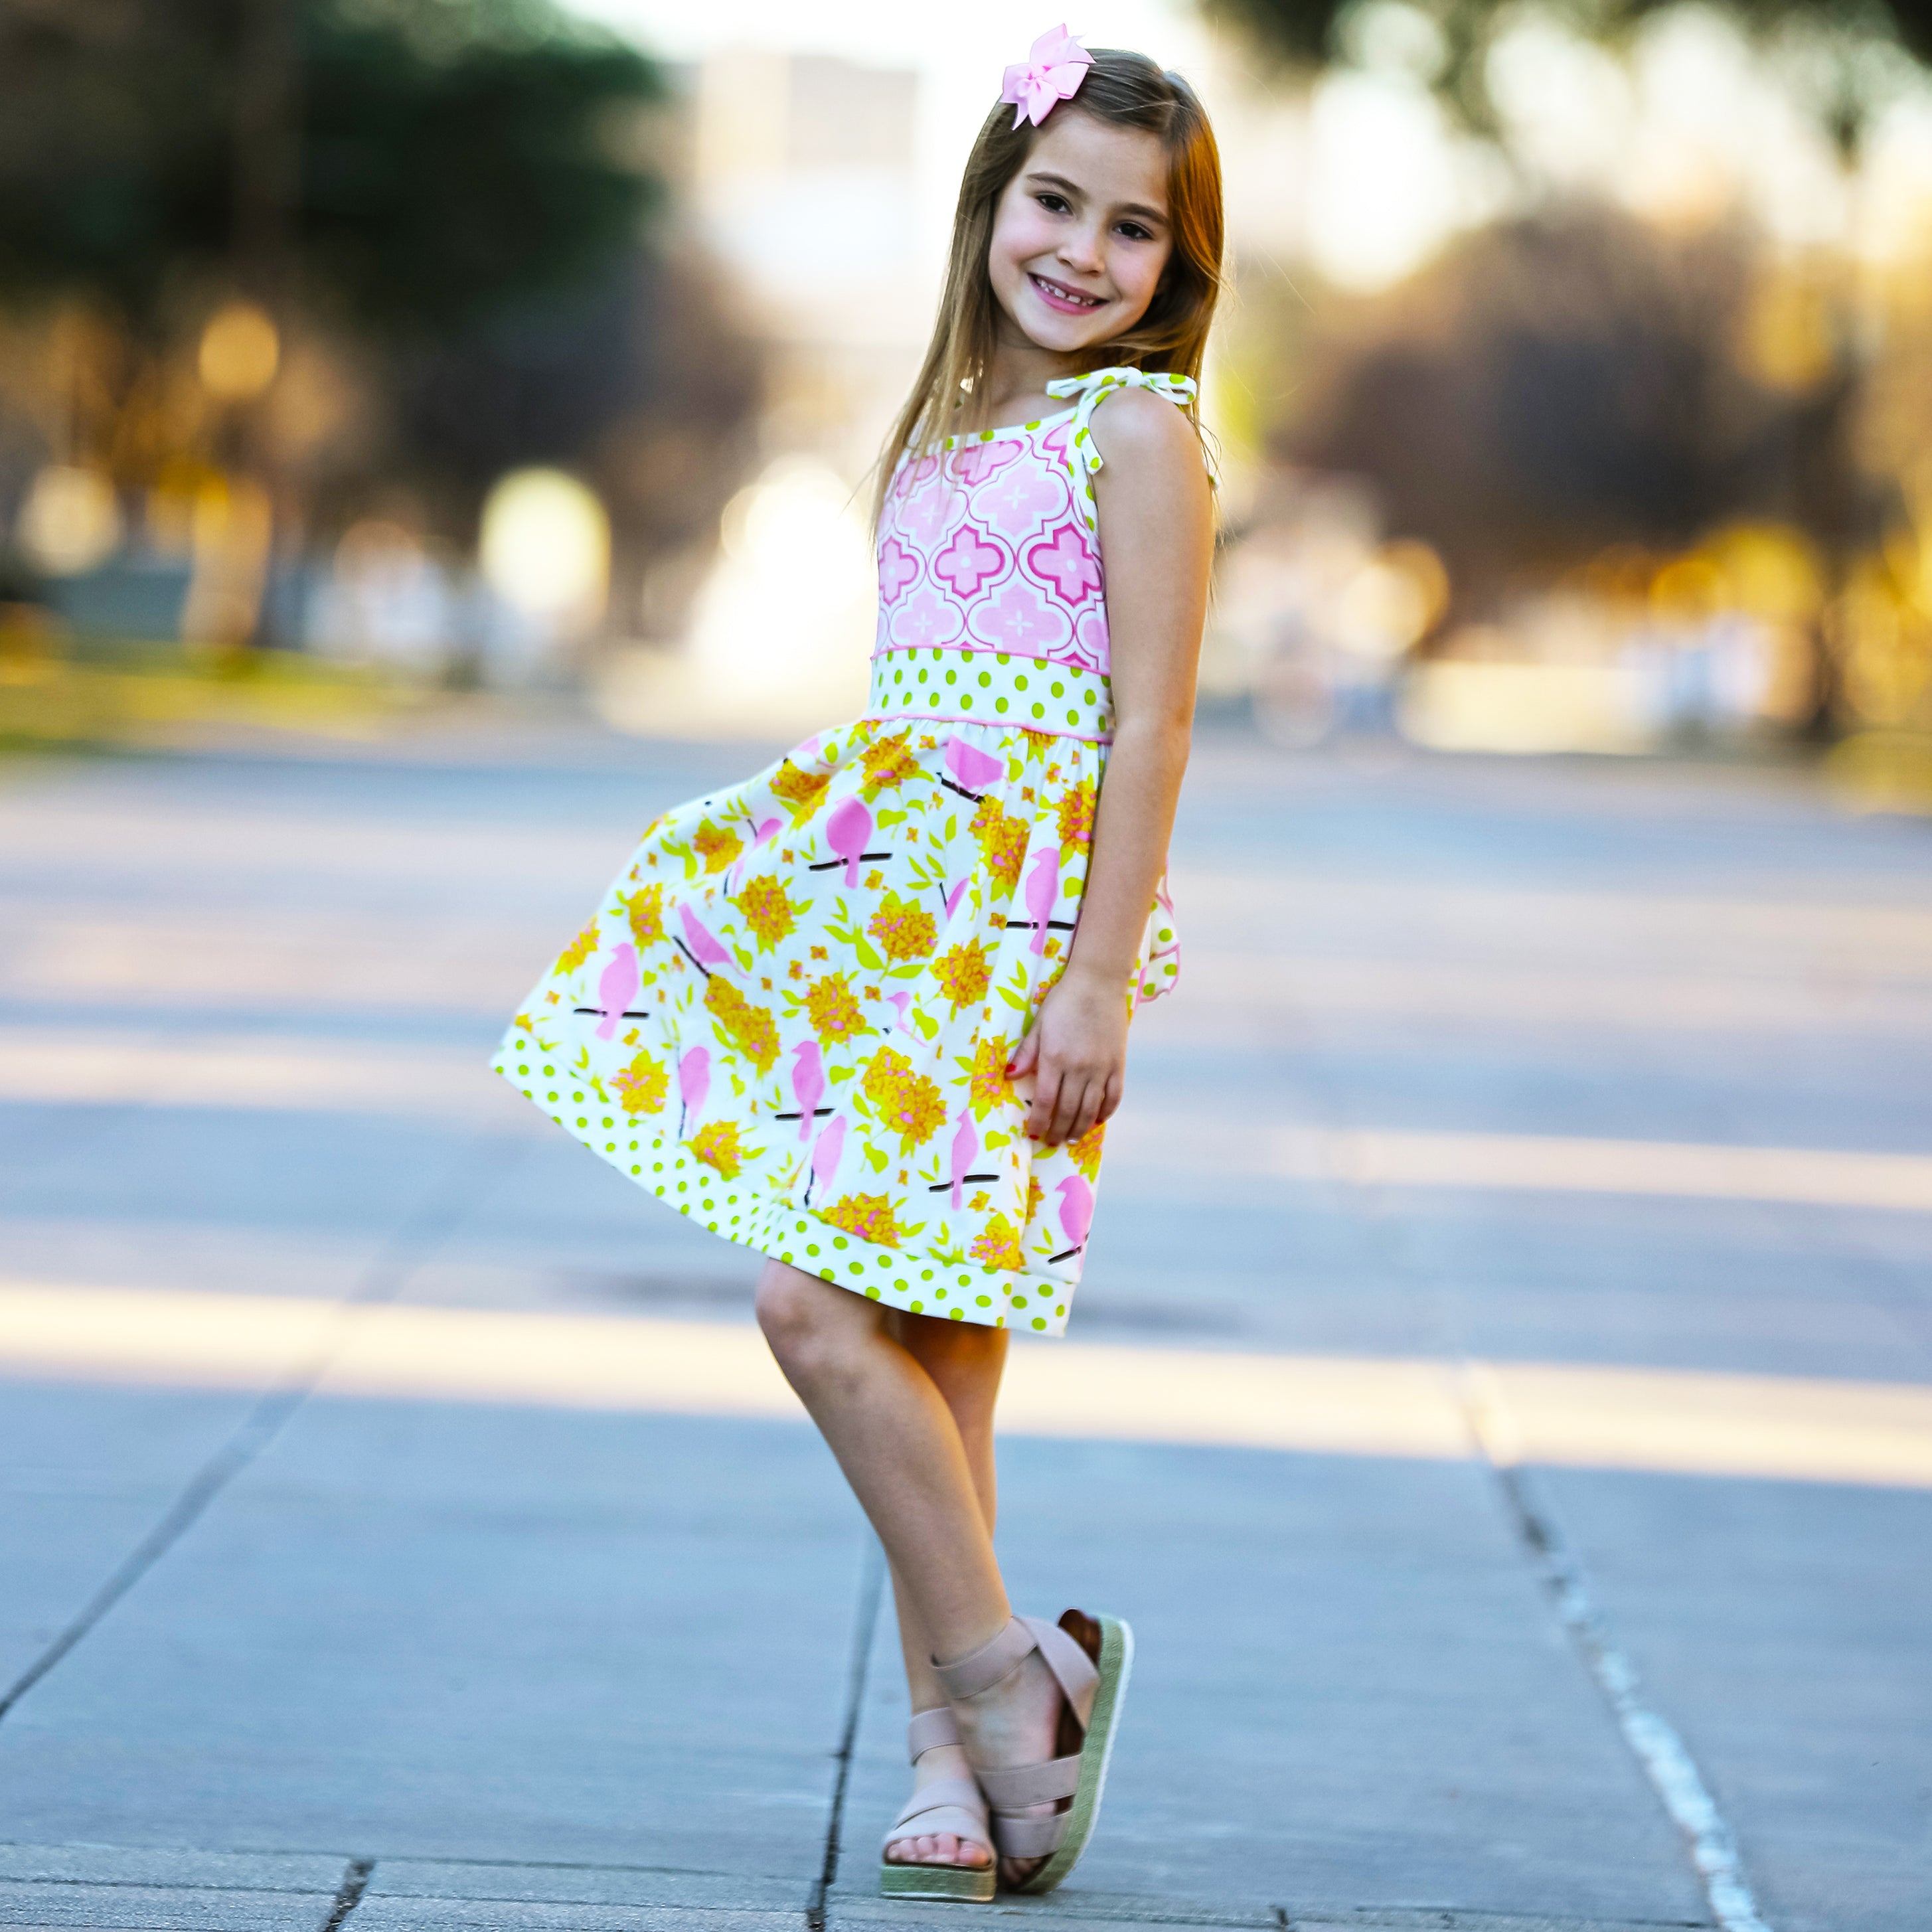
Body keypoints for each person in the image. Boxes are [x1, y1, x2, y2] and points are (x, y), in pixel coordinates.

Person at [492, 25, 1221, 1904]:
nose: (1081, 251)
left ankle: (1014, 1696)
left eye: (1131, 231)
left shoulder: (1133, 434)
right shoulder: (948, 430)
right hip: (895, 932)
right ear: (991, 202)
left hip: (1014, 952)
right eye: (1054, 203)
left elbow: (1148, 729)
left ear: (1175, 268)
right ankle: (956, 1776)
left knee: (812, 1315)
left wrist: (1091, 979)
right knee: (933, 1364)